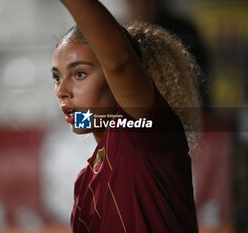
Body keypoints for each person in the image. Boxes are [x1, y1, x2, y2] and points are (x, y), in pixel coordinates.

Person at [51, 0, 201, 232]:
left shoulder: (145, 129)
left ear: (115, 79)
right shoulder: (84, 183)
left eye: (79, 74)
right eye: (57, 78)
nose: (62, 91)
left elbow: (120, 61)